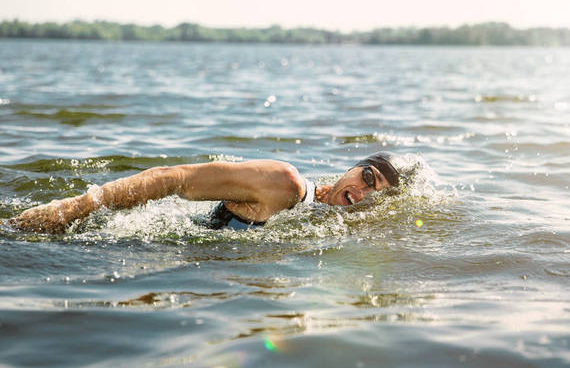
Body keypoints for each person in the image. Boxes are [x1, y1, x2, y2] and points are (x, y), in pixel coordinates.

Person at [10, 152, 408, 234]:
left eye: (379, 194)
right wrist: (69, 210)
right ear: (353, 168)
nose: (364, 193)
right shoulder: (286, 183)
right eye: (368, 177)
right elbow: (174, 176)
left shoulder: (340, 227)